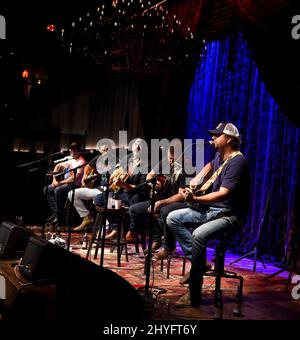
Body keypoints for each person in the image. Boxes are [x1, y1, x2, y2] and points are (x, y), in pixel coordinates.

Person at [155, 122, 250, 308]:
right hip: (214, 210)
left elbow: (223, 194)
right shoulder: (220, 157)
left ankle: (193, 293)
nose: (212, 138)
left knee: (199, 235)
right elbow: (210, 167)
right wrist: (195, 182)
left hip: (229, 215)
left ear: (229, 139)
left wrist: (197, 198)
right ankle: (200, 262)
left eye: (217, 135)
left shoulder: (238, 162)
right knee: (172, 217)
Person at [126, 146, 187, 252]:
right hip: (158, 198)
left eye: (174, 159)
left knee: (161, 210)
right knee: (134, 210)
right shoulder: (164, 162)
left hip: (173, 202)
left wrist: (162, 202)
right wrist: (154, 184)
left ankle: (166, 243)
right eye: (169, 158)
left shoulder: (186, 168)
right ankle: (157, 237)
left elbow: (181, 195)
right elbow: (149, 176)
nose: (171, 161)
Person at [94, 138, 150, 239]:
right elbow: (118, 172)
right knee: (99, 199)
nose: (137, 147)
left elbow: (142, 187)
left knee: (136, 200)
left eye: (140, 145)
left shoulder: (147, 164)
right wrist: (114, 176)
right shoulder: (127, 158)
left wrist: (124, 185)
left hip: (136, 194)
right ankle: (115, 227)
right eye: (135, 144)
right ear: (131, 147)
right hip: (121, 192)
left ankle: (132, 230)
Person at [44, 142, 85, 228]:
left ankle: (60, 218)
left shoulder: (81, 162)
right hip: (64, 183)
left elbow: (74, 178)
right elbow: (57, 166)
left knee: (58, 190)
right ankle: (56, 214)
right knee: (47, 189)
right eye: (70, 151)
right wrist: (54, 181)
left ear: (78, 151)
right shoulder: (69, 158)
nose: (71, 153)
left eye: (73, 151)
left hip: (75, 185)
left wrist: (59, 183)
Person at [70, 144, 111, 231]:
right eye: (103, 148)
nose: (105, 150)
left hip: (108, 189)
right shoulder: (97, 158)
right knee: (72, 194)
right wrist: (85, 176)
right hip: (96, 188)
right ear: (99, 150)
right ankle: (86, 217)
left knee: (98, 201)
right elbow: (87, 167)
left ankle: (106, 227)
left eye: (107, 148)